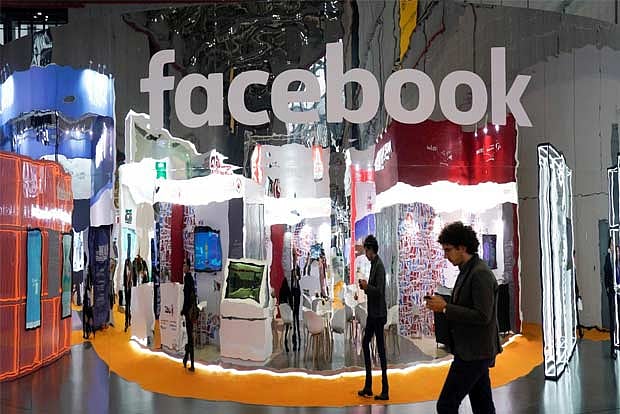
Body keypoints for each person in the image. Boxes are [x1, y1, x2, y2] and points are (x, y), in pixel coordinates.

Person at [425, 221, 501, 414]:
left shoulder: (480, 274)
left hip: (474, 352)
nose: (445, 255)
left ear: (462, 247)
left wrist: (445, 308)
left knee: (446, 405)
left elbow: (483, 315)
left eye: (448, 250)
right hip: (472, 351)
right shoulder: (467, 270)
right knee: (482, 405)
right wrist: (444, 304)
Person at [357, 234, 389, 401]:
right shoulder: (375, 265)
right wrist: (367, 286)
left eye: (366, 251)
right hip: (373, 314)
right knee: (366, 343)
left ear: (371, 250)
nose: (365, 254)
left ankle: (385, 389)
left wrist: (366, 286)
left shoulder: (379, 266)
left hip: (378, 314)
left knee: (381, 350)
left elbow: (379, 291)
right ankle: (369, 386)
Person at [181, 259, 196, 372]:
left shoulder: (187, 278)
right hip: (190, 311)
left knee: (190, 337)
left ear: (188, 267)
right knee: (189, 335)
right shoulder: (190, 278)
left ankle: (191, 363)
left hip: (189, 311)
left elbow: (187, 297)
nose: (183, 267)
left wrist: (183, 310)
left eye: (185, 265)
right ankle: (187, 358)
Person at [604, 239, 617, 359]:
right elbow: (606, 274)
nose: (613, 247)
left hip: (617, 294)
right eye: (612, 244)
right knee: (613, 322)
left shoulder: (617, 259)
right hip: (612, 295)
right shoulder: (608, 259)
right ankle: (613, 349)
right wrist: (608, 290)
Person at [290, 249, 302, 352]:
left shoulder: (297, 267)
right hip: (292, 291)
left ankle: (297, 332)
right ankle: (293, 334)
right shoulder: (290, 268)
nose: (295, 258)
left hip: (297, 291)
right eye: (294, 256)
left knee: (296, 313)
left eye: (295, 256)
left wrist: (296, 277)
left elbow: (299, 277)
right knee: (292, 312)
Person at [123, 258, 133, 332]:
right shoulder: (125, 271)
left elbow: (133, 279)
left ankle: (129, 319)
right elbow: (124, 280)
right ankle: (126, 322)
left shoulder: (131, 270)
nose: (127, 264)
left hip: (130, 289)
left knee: (130, 305)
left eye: (128, 263)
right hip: (127, 290)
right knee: (127, 306)